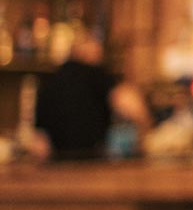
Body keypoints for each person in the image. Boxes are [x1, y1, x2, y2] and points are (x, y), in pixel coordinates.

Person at [31, 32, 148, 160]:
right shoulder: (95, 74)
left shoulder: (50, 81)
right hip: (92, 161)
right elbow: (130, 104)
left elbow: (39, 140)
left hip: (58, 164)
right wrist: (146, 128)